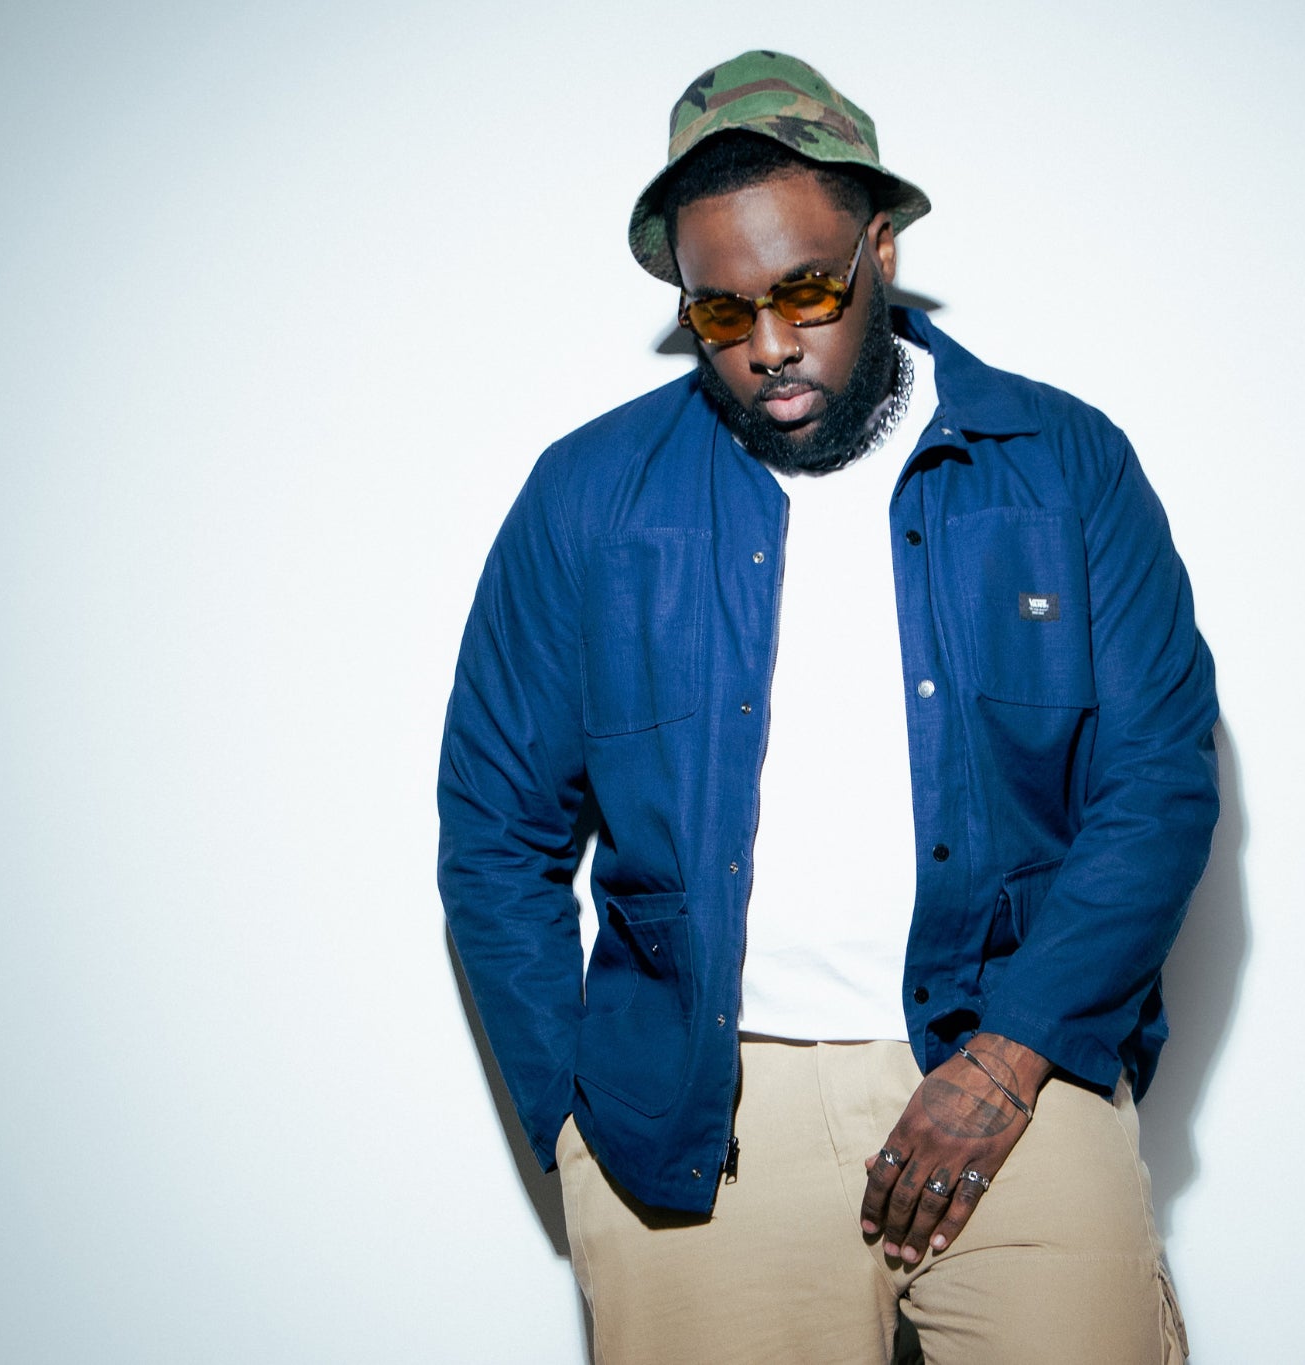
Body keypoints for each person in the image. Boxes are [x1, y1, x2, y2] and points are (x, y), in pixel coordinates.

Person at [437, 50, 1218, 1365]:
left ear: (881, 250)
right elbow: (493, 828)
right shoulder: (590, 497)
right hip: (700, 1124)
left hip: (1013, 1071)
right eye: (719, 311)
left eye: (807, 289)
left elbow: (1157, 784)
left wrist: (1013, 1054)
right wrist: (573, 1117)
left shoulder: (1060, 465)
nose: (770, 347)